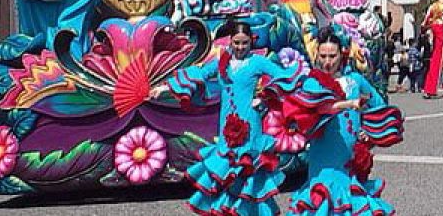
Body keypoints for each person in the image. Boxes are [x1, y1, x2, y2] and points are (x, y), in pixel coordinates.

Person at [163, 21, 340, 216]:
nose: (240, 47)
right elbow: (200, 73)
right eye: (236, 42)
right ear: (230, 41)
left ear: (251, 42)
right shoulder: (223, 62)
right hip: (226, 126)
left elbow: (284, 77)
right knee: (225, 170)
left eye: (245, 43)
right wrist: (165, 87)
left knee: (249, 171)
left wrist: (266, 97)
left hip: (250, 125)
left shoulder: (257, 62)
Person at [287, 26, 403, 215]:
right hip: (322, 155)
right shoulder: (311, 83)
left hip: (348, 156)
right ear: (317, 55)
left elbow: (379, 105)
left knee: (350, 200)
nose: (327, 62)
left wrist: (369, 131)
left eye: (332, 56)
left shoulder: (355, 81)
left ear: (342, 55)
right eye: (323, 56)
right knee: (323, 198)